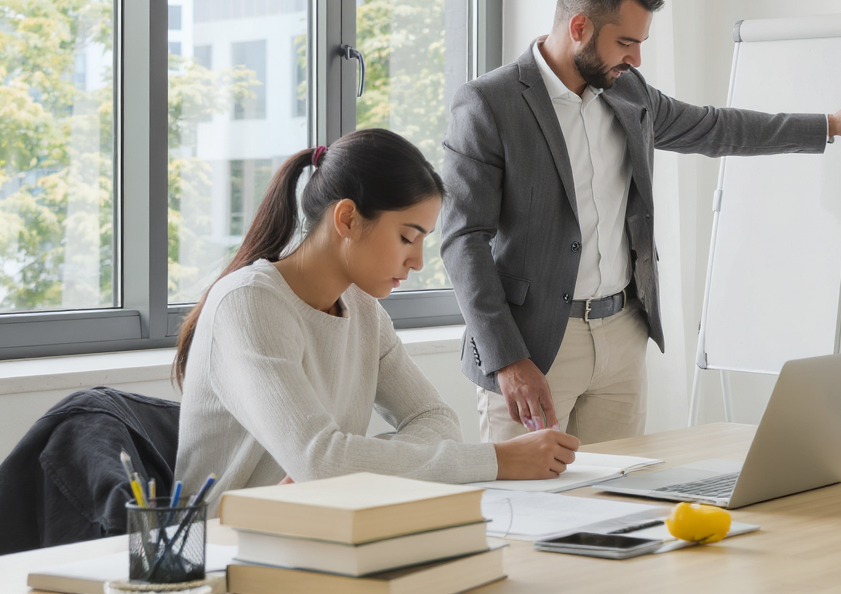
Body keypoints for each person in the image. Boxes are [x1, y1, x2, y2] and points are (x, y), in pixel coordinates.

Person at [442, 0, 841, 444]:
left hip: (621, 335)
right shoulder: (489, 103)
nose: (636, 59)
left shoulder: (628, 92)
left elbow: (716, 127)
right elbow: (462, 239)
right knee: (528, 510)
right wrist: (508, 360)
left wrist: (830, 124)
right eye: (626, 43)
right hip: (532, 345)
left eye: (641, 44)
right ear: (578, 27)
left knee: (615, 507)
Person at [174, 128, 577, 510]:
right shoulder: (248, 302)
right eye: (407, 237)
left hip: (320, 528)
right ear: (347, 218)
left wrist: (347, 464)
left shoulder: (363, 308)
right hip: (221, 549)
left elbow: (436, 421)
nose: (418, 261)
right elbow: (321, 460)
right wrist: (495, 460)